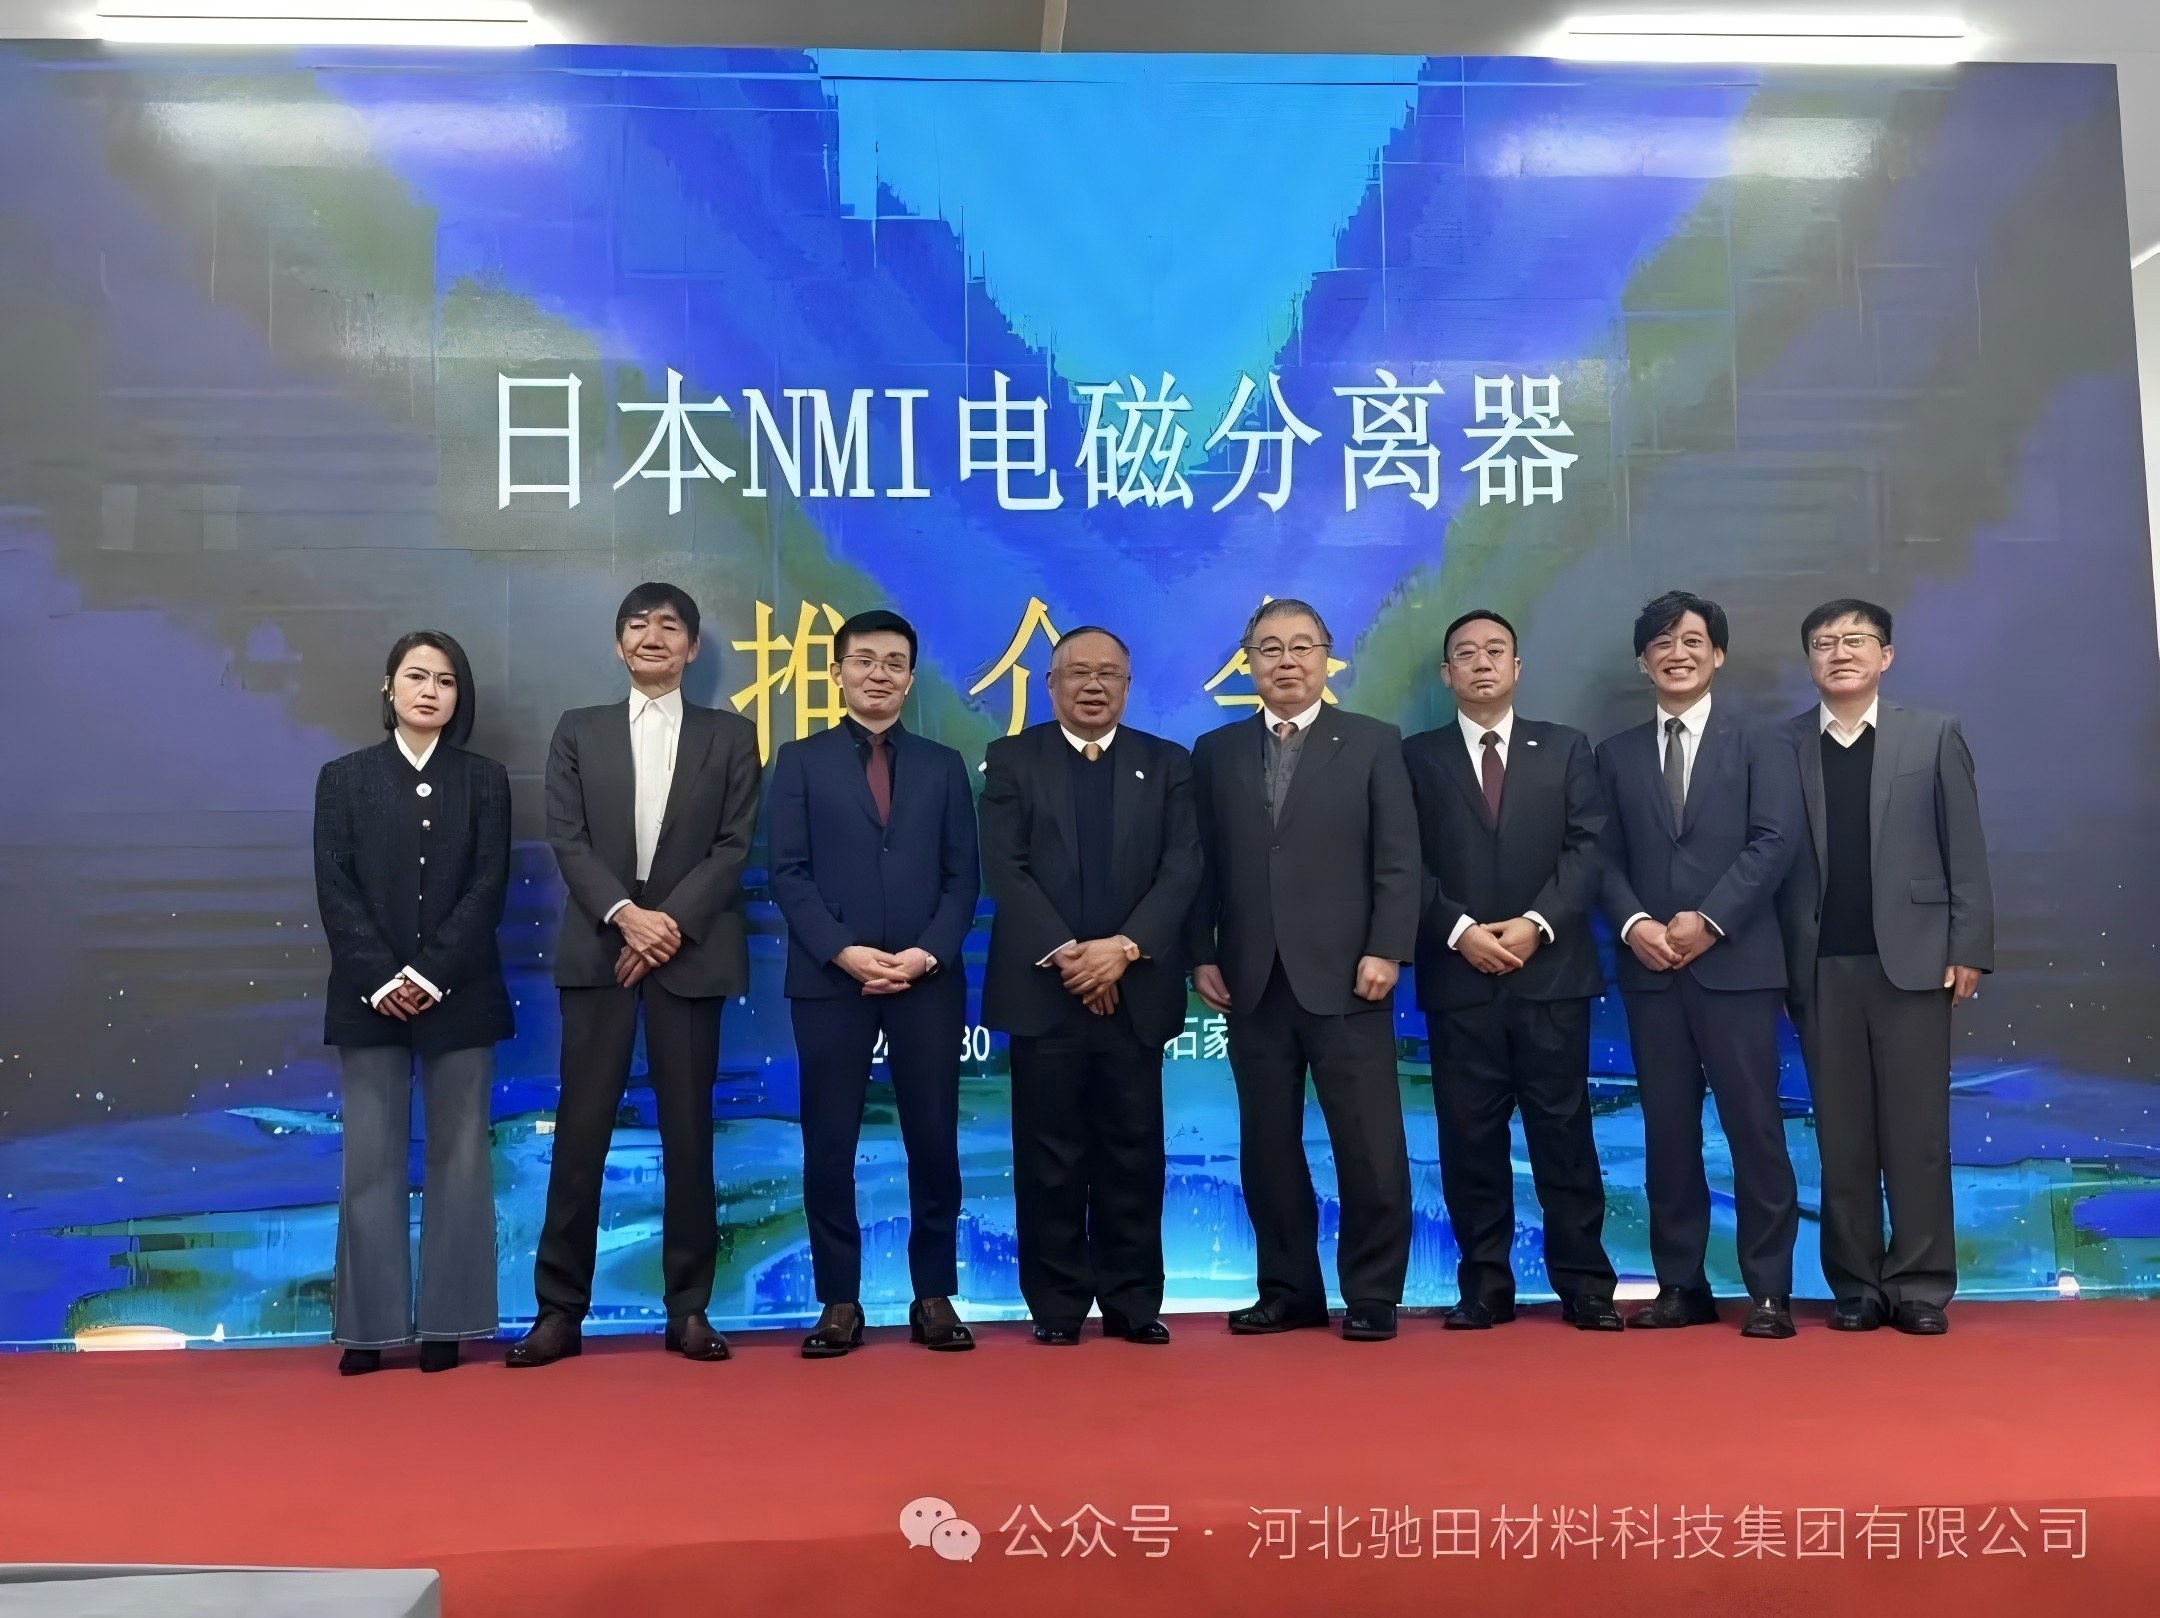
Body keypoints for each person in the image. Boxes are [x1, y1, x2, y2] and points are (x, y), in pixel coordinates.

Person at [510, 583, 760, 1368]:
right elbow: (568, 837)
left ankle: (689, 1309)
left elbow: (734, 846)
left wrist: (667, 924)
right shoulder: (579, 730)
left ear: (692, 648)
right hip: (600, 952)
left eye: (671, 626)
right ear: (619, 646)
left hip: (691, 955)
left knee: (689, 1136)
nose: (654, 636)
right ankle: (559, 1311)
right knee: (580, 1133)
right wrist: (626, 915)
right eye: (638, 625)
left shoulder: (731, 736)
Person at [1187, 599, 1420, 1342]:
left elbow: (1399, 857)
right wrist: (1200, 952)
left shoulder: (1374, 742)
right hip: (1251, 979)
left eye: (1301, 647)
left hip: (1350, 975)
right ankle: (1287, 1290)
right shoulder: (1215, 752)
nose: (1285, 661)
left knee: (1369, 1144)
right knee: (1267, 1147)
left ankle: (1373, 1292)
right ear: (1248, 663)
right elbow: (1199, 865)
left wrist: (1387, 947)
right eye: (1269, 649)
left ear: (1326, 657)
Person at [980, 627, 1203, 1346]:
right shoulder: (1013, 759)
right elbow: (1005, 867)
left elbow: (1182, 867)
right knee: (1048, 1156)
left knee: (1133, 1153)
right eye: (1078, 672)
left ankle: (1134, 1301)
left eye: (1109, 673)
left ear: (1128, 686)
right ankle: (1056, 1306)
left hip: (1136, 990)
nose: (1093, 685)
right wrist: (1073, 957)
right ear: (1050, 684)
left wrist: (1123, 950)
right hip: (1045, 991)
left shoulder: (1166, 764)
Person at [1776, 600, 1993, 1335]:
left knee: (1917, 1133)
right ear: (1809, 659)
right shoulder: (1783, 745)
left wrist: (1968, 946)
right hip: (1817, 965)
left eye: (1855, 640)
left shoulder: (1933, 734)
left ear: (1886, 655)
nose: (1840, 652)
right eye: (1824, 642)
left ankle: (1921, 1285)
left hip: (1915, 962)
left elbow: (1965, 847)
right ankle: (1857, 1286)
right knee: (1841, 1137)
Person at [768, 610, 980, 1357]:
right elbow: (786, 873)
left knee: (934, 1138)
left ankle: (934, 1294)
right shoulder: (800, 761)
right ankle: (839, 1300)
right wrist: (843, 951)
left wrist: (927, 954)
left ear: (910, 678)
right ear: (837, 672)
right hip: (831, 981)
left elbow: (963, 879)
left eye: (894, 662)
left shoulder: (944, 766)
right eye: (864, 660)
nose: (878, 674)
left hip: (927, 981)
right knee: (830, 1141)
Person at [1403, 610, 1622, 1333]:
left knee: (1564, 1135)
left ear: (1518, 667)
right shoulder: (1416, 757)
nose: (1482, 663)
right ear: (1447, 674)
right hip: (1459, 976)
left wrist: (1536, 924)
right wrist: (1459, 931)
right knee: (1469, 1140)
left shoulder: (1565, 748)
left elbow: (1587, 848)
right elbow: (1404, 861)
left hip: (1551, 973)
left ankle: (1585, 1285)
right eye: (1465, 653)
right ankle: (1484, 1286)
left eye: (1495, 650)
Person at [1598, 590, 1805, 1338]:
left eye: (1691, 640)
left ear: (1717, 653)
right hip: (1651, 971)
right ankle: (1680, 1285)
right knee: (1667, 1133)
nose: (1676, 653)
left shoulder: (1763, 743)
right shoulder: (1614, 754)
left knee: (1755, 1129)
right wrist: (1634, 925)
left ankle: (1770, 1291)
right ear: (1642, 660)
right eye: (1661, 642)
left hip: (1739, 967)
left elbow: (1774, 842)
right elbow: (1600, 856)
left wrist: (1710, 921)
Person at [313, 630, 511, 1375]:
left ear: (461, 697)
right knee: (370, 1158)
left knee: (461, 1161)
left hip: (460, 995)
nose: (430, 691)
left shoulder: (484, 780)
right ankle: (369, 1330)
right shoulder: (344, 778)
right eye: (417, 677)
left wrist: (428, 975)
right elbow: (335, 889)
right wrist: (381, 978)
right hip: (368, 1000)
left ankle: (449, 1325)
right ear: (389, 688)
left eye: (446, 681)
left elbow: (487, 886)